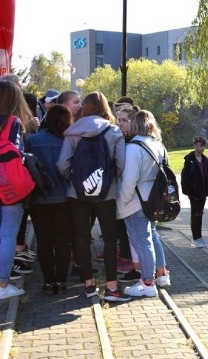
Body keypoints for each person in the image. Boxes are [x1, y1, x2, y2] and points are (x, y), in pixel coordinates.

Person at [57, 92, 126, 301]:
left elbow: (62, 164)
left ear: (85, 107)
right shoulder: (114, 131)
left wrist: (75, 180)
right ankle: (112, 286)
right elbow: (121, 164)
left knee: (81, 237)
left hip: (77, 193)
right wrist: (106, 180)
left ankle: (88, 285)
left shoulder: (73, 132)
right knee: (109, 238)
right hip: (106, 193)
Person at [117, 110, 171, 298]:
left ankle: (147, 282)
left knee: (141, 240)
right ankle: (161, 274)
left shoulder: (133, 147)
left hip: (137, 200)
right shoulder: (159, 145)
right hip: (155, 199)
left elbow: (129, 180)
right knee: (152, 235)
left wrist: (121, 201)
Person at [24, 105, 74, 294]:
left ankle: (48, 281)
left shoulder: (33, 140)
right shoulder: (69, 141)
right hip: (64, 198)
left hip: (39, 197)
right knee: (62, 241)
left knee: (44, 241)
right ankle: (61, 281)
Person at [0, 81, 33, 300]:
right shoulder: (13, 122)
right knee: (8, 233)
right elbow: (17, 153)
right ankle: (2, 284)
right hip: (9, 185)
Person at [114, 104, 141, 284]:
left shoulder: (134, 143)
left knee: (139, 237)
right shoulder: (124, 140)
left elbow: (130, 176)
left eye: (124, 120)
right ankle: (144, 270)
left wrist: (122, 200)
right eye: (118, 120)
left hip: (135, 197)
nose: (120, 124)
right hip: (133, 195)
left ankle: (141, 273)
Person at [181, 135, 208, 248]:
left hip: (203, 191)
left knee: (200, 214)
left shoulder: (205, 159)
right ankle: (196, 238)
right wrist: (191, 188)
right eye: (199, 145)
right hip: (194, 192)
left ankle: (199, 237)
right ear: (195, 145)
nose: (201, 148)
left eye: (203, 146)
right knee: (195, 214)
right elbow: (186, 177)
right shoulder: (189, 160)